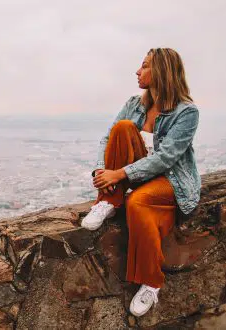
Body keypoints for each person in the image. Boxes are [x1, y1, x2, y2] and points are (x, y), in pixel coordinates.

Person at [80, 48, 200, 317]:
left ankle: (151, 283)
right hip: (134, 177)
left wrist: (119, 174)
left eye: (144, 66)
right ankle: (108, 201)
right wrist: (102, 171)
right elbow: (108, 138)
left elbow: (167, 157)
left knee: (137, 202)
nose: (137, 71)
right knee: (123, 128)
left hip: (170, 181)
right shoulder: (135, 104)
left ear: (162, 72)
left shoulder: (186, 112)